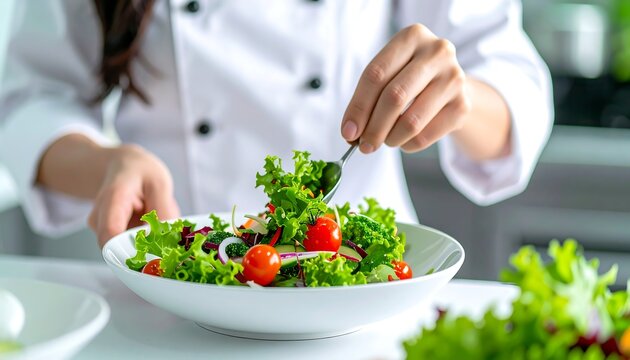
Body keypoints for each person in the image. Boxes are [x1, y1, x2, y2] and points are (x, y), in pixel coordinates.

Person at [0, 0, 552, 247]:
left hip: (360, 297)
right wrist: (106, 165)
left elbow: (514, 91)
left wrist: (459, 97)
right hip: (172, 280)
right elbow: (33, 101)